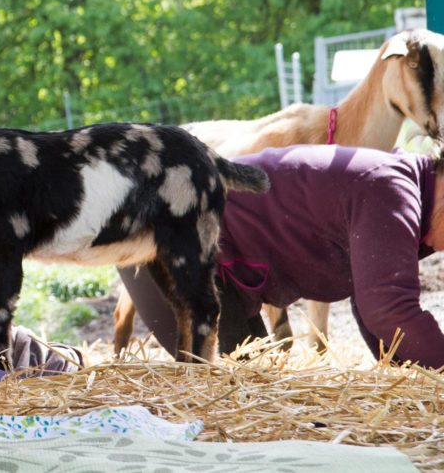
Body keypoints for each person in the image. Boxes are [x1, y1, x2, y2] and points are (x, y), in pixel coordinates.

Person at [120, 144, 444, 369]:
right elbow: (388, 309)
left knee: (258, 391)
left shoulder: (401, 187)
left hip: (197, 253)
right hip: (167, 248)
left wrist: (411, 374)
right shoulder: (391, 189)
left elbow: (376, 306)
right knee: (242, 399)